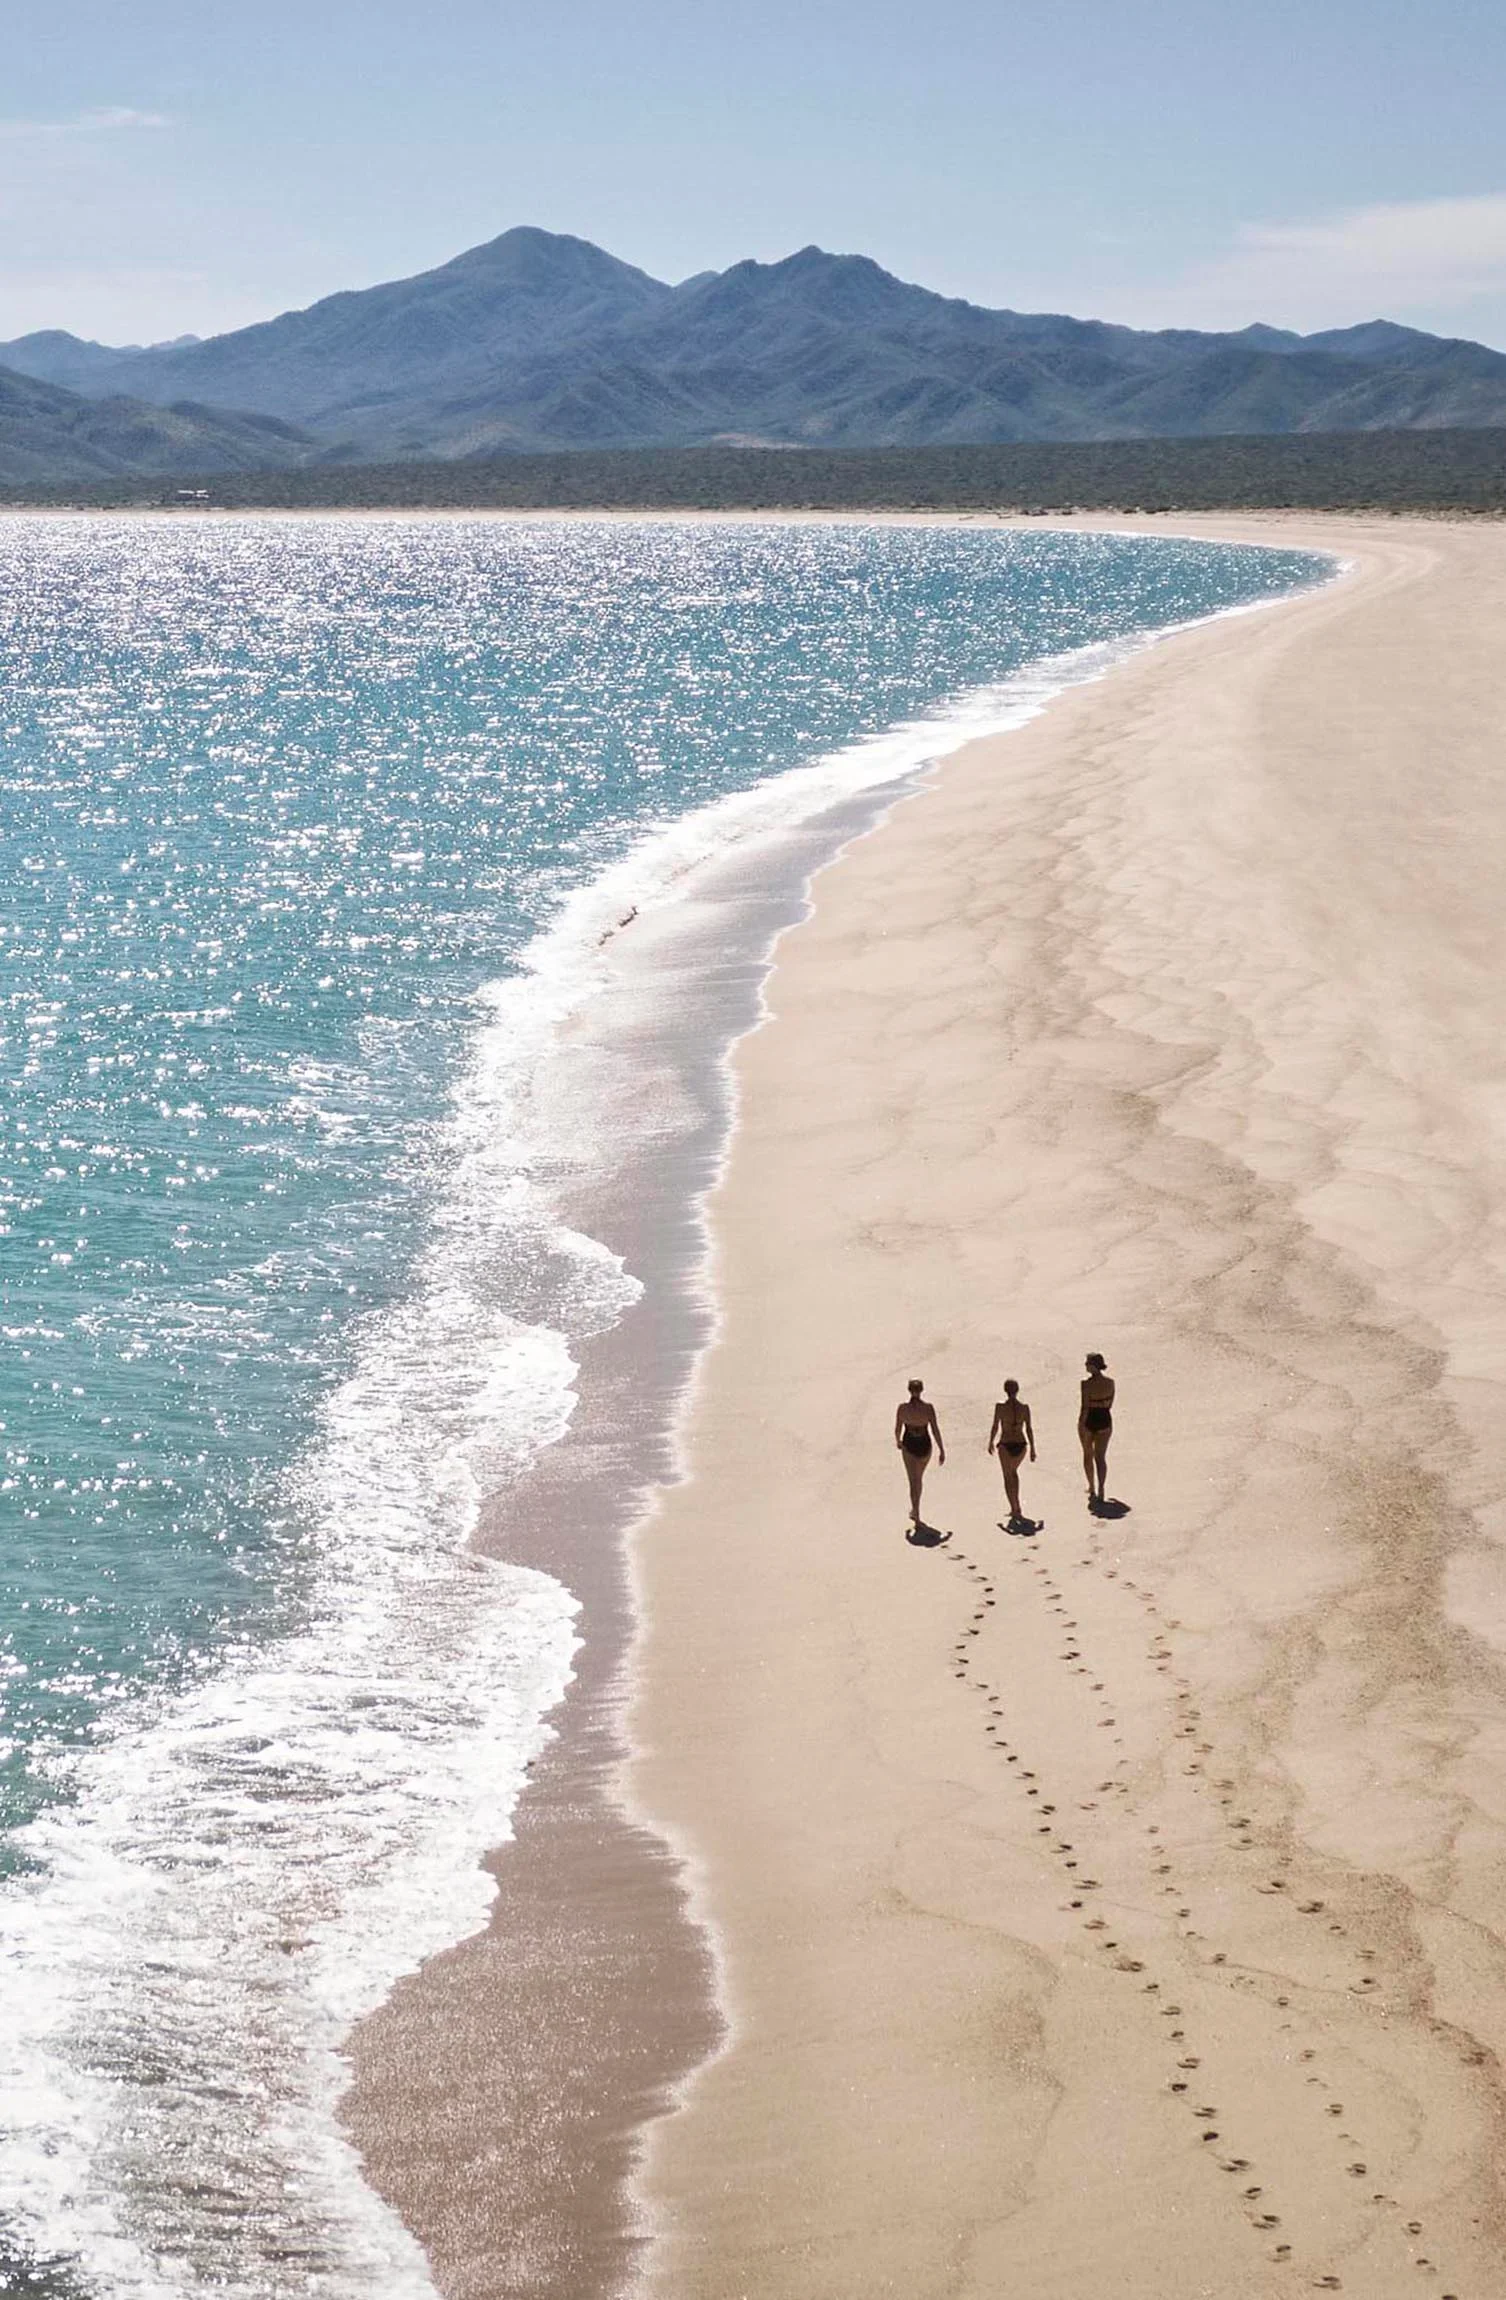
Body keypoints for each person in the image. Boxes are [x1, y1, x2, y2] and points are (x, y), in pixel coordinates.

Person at [895, 1378, 944, 1524]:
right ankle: (915, 1509)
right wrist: (941, 1449)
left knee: (912, 1480)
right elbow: (935, 1429)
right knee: (919, 1478)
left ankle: (915, 1510)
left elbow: (898, 1428)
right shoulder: (928, 1408)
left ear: (909, 1390)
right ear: (921, 1390)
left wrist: (898, 1441)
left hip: (909, 1444)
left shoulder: (902, 1408)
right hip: (924, 1444)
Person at [987, 1378, 1036, 1525]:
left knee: (1008, 1476)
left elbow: (995, 1426)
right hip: (1021, 1444)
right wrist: (1033, 1447)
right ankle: (1016, 1506)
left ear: (1005, 1390)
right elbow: (1028, 1429)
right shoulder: (1024, 1408)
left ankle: (1015, 1507)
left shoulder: (1000, 1407)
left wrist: (990, 1441)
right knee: (1013, 1473)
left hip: (1006, 1444)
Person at [1078, 1352, 1115, 1505]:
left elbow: (1085, 1407)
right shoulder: (1110, 1382)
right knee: (1100, 1457)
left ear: (1093, 1366)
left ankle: (1092, 1486)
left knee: (1088, 1454)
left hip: (1090, 1418)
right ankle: (1101, 1488)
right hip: (1105, 1417)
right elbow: (1110, 1403)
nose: (1086, 1365)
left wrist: (1081, 1423)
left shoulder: (1086, 1384)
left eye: (1087, 1363)